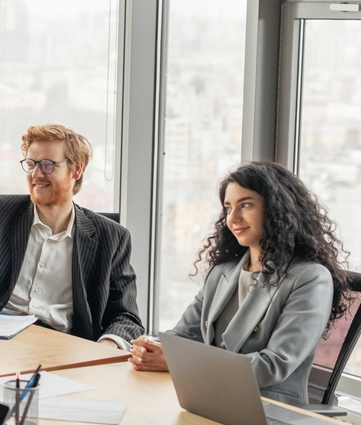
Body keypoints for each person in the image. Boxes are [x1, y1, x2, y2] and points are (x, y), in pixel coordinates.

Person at [130, 161, 349, 405]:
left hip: (268, 408)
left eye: (245, 205)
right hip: (208, 398)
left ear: (276, 209)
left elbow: (273, 364)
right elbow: (183, 336)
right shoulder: (222, 273)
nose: (233, 218)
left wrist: (179, 361)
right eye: (227, 207)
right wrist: (151, 348)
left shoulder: (310, 278)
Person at [0, 124, 143, 347]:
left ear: (76, 170)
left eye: (48, 165)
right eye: (31, 164)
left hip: (63, 349)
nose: (36, 175)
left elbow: (126, 318)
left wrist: (103, 349)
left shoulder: (112, 237)